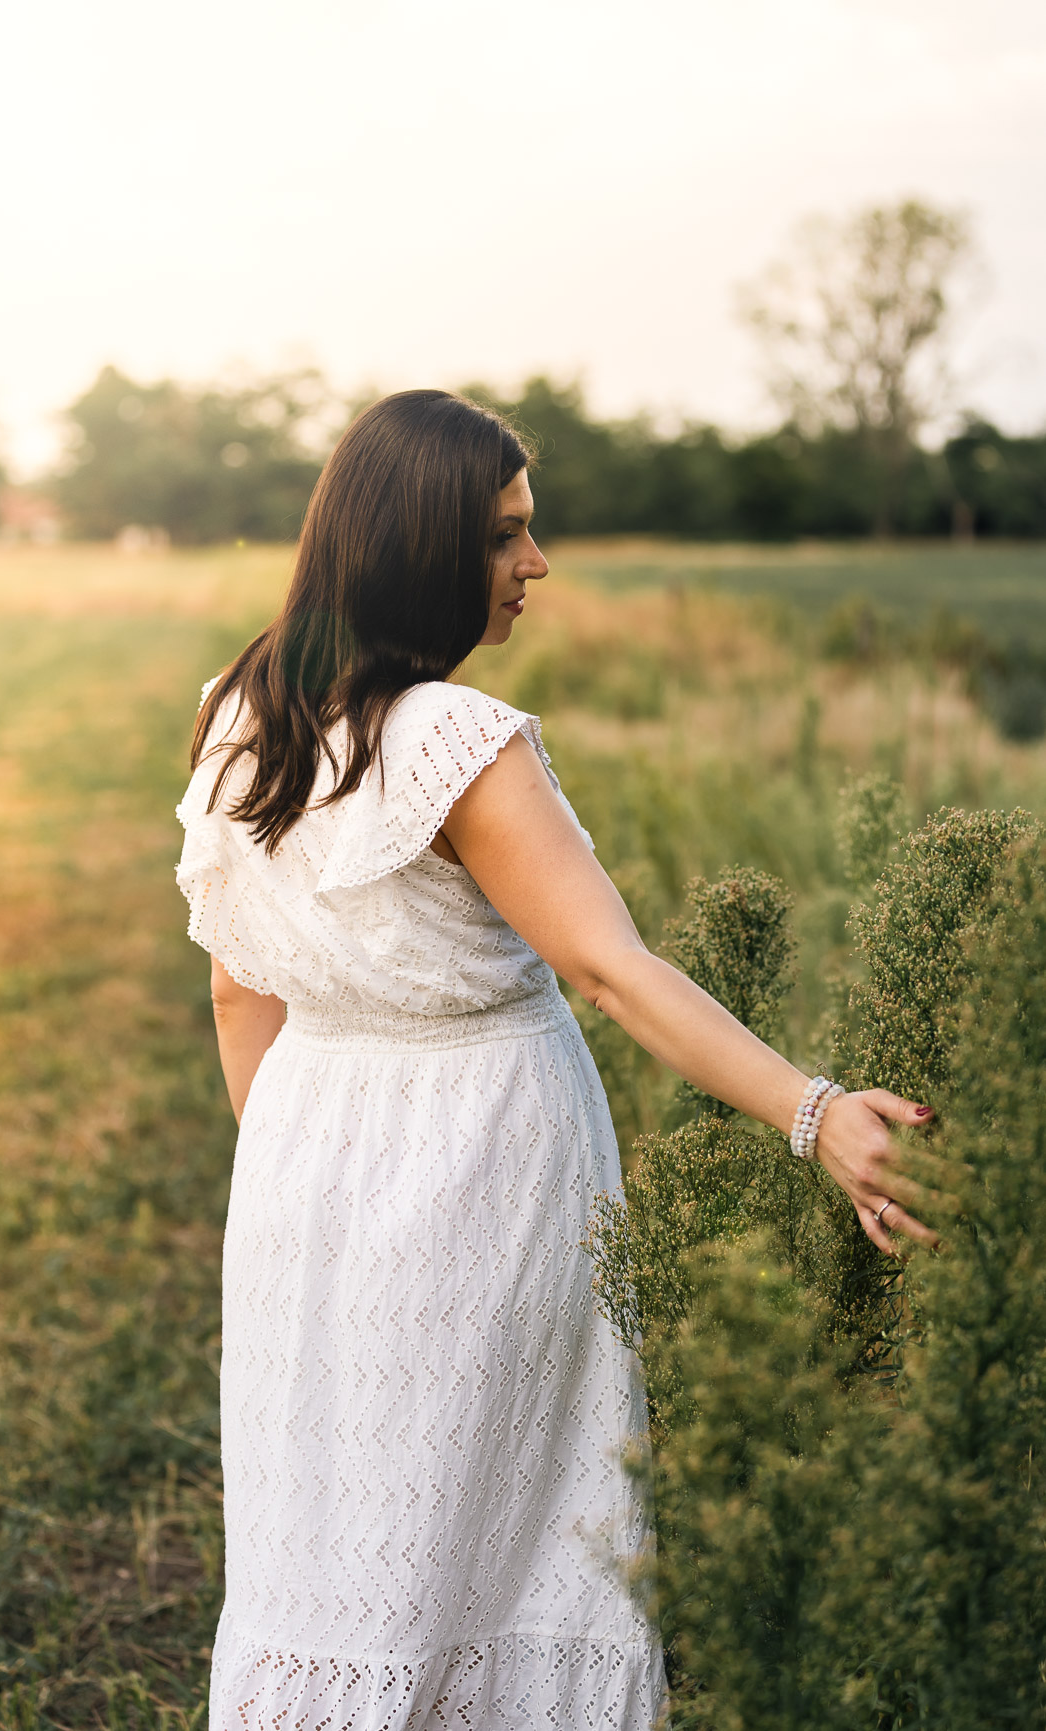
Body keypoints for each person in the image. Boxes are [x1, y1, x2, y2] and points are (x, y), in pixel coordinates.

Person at [176, 389, 934, 1730]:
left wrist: (306, 1183)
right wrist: (815, 1114)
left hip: (300, 1165)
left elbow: (240, 991)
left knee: (336, 1531)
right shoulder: (453, 739)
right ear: (417, 545)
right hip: (480, 1162)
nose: (535, 563)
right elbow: (610, 969)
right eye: (503, 535)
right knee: (504, 1527)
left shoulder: (240, 714)